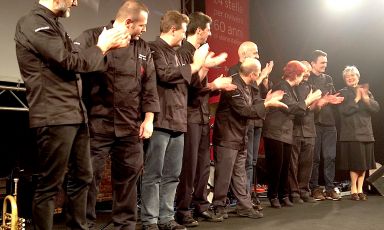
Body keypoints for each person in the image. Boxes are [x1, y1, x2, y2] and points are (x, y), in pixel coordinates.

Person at [14, 0, 129, 229]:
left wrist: (104, 48)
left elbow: (82, 61)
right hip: (54, 114)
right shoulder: (33, 22)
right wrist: (102, 47)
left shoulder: (54, 25)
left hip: (75, 114)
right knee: (50, 185)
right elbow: (69, 62)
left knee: (83, 177)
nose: (76, 2)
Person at [75, 1, 160, 229]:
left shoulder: (143, 48)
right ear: (128, 22)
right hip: (96, 123)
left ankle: (125, 225)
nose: (144, 30)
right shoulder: (92, 36)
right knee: (88, 179)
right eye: (142, 25)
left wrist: (149, 118)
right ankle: (85, 225)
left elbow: (149, 86)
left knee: (128, 181)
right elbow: (75, 66)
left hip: (130, 125)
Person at [140, 10, 225, 230]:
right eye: (183, 30)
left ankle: (166, 218)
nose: (185, 35)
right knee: (154, 174)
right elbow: (166, 74)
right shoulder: (153, 48)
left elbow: (192, 85)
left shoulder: (178, 54)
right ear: (173, 30)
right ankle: (150, 220)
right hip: (160, 119)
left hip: (179, 120)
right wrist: (196, 65)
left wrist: (205, 66)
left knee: (172, 175)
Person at [174, 12, 234, 227]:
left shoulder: (199, 52)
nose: (211, 33)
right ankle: (182, 209)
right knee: (188, 167)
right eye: (208, 29)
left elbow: (200, 89)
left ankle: (200, 205)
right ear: (199, 30)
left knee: (203, 165)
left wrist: (215, 86)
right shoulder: (183, 52)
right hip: (188, 116)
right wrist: (211, 80)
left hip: (200, 115)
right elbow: (188, 85)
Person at [211, 58, 287, 219]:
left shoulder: (248, 86)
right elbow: (245, 110)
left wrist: (266, 100)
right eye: (258, 74)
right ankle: (218, 206)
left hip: (240, 136)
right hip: (227, 137)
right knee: (224, 175)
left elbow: (254, 103)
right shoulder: (233, 85)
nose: (259, 76)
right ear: (253, 74)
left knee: (240, 174)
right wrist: (268, 104)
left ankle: (244, 206)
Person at [263, 60, 321, 208]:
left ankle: (283, 195)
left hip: (286, 132)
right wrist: (309, 100)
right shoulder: (281, 86)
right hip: (275, 131)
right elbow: (290, 107)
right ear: (295, 75)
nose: (303, 79)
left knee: (284, 167)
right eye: (301, 75)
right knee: (276, 167)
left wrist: (311, 102)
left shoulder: (291, 88)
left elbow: (299, 109)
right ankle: (273, 196)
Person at [228, 41, 273, 210]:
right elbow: (247, 92)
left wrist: (266, 80)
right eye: (255, 52)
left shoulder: (258, 71)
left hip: (257, 121)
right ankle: (243, 197)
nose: (258, 55)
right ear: (244, 54)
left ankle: (251, 194)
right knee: (245, 161)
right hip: (244, 122)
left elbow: (260, 95)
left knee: (253, 161)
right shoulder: (234, 70)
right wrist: (260, 77)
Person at [336, 66, 379, 201]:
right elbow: (344, 111)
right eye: (347, 77)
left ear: (357, 77)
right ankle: (353, 189)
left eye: (352, 76)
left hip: (366, 132)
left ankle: (360, 189)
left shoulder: (366, 92)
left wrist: (365, 98)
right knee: (355, 163)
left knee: (364, 163)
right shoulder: (342, 92)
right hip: (352, 133)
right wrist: (356, 99)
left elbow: (375, 108)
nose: (350, 78)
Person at [308, 50, 341, 201]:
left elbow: (331, 97)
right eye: (322, 63)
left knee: (330, 157)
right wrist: (321, 102)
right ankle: (314, 188)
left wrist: (334, 99)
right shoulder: (307, 79)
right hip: (314, 123)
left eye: (326, 63)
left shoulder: (328, 78)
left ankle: (329, 188)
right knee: (314, 158)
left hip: (329, 123)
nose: (325, 66)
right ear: (313, 63)